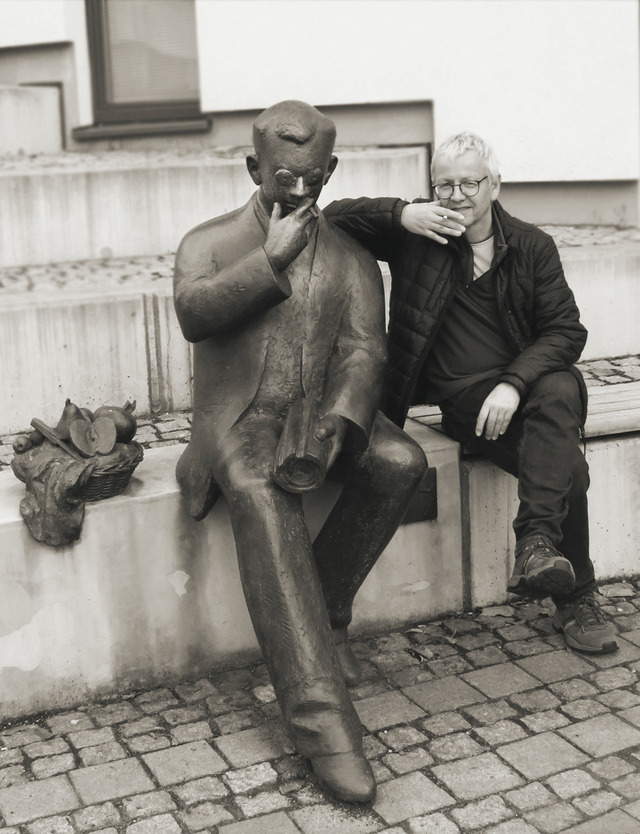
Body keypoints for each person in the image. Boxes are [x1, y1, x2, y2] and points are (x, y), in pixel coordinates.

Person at [173, 100, 427, 803]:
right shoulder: (208, 241)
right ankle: (324, 728)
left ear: (331, 171)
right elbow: (195, 314)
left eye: (312, 177)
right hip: (243, 419)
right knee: (261, 489)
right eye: (283, 176)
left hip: (321, 413)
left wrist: (344, 418)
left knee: (402, 461)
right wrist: (269, 260)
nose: (298, 190)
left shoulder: (350, 256)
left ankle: (324, 615)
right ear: (255, 167)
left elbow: (363, 349)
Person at [325, 131, 618, 655]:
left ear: (495, 184)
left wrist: (511, 383)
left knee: (558, 386)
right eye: (444, 185)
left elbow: (565, 332)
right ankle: (572, 592)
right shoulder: (421, 236)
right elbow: (334, 216)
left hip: (522, 394)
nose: (456, 195)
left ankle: (535, 547)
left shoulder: (531, 245)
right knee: (568, 469)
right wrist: (402, 214)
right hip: (464, 406)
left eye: (469, 182)